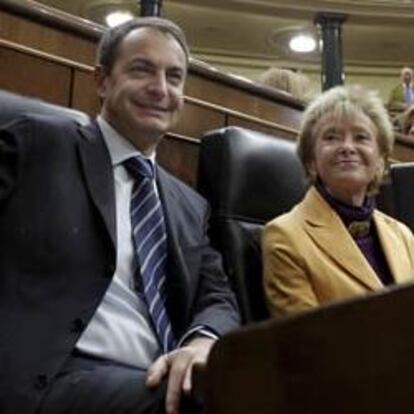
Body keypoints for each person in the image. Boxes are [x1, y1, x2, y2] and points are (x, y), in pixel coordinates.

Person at [0, 17, 240, 414]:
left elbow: (216, 295)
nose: (160, 89)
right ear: (102, 81)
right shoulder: (38, 144)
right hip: (51, 374)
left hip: (154, 375)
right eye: (141, 70)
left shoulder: (189, 204)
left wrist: (203, 341)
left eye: (174, 77)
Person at [262, 85, 414, 316]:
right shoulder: (285, 236)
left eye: (361, 137)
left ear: (380, 161)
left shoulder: (403, 236)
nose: (347, 147)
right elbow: (306, 341)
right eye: (331, 137)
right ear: (312, 161)